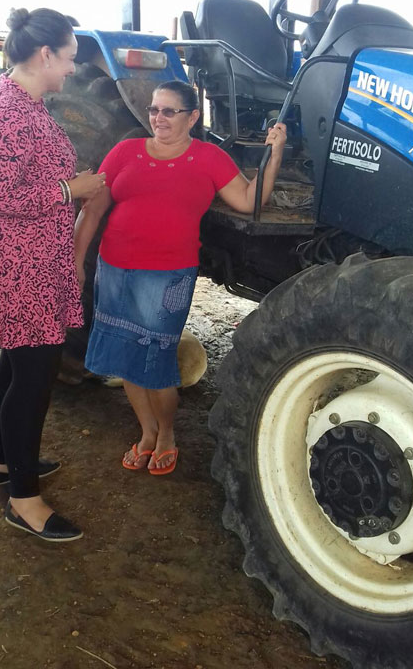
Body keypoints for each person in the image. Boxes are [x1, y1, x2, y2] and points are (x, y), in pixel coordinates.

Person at [74, 80, 286, 475]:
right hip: (116, 269)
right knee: (126, 358)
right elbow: (92, 210)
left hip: (167, 276)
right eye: (155, 109)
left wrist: (273, 157)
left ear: (193, 116)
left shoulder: (209, 158)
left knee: (155, 362)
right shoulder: (125, 151)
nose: (159, 118)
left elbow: (249, 200)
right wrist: (76, 261)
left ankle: (167, 432)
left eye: (169, 111)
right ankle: (147, 432)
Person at [0, 7, 106, 542]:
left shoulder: (21, 100)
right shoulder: (12, 111)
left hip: (31, 259)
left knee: (17, 365)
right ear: (45, 55)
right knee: (35, 377)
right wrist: (73, 191)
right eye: (67, 59)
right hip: (22, 264)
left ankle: (5, 463)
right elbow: (3, 195)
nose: (70, 70)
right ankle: (24, 501)